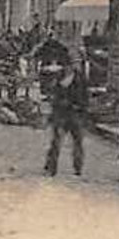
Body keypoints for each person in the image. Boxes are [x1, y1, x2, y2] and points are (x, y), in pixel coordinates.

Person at [41, 42, 88, 177]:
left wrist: (82, 108)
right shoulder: (59, 77)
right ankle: (51, 167)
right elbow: (53, 94)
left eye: (77, 62)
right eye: (73, 62)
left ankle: (78, 167)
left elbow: (85, 96)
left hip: (75, 113)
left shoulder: (80, 78)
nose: (74, 65)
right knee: (56, 141)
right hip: (61, 113)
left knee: (78, 141)